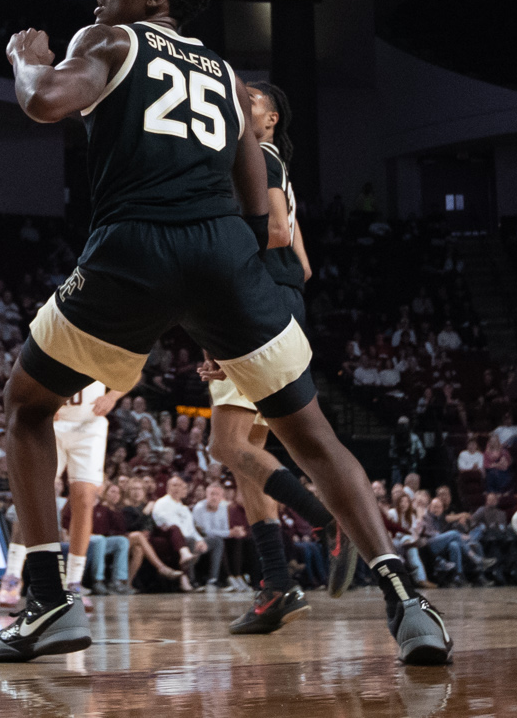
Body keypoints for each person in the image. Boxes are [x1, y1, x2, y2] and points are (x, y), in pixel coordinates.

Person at [0, 0, 450, 666]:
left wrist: (26, 58)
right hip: (226, 256)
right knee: (314, 438)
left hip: (133, 246)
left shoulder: (111, 41)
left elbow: (43, 103)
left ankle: (46, 602)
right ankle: (408, 601)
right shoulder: (230, 77)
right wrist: (210, 303)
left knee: (28, 406)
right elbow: (259, 210)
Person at [205, 80, 356, 637]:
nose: (240, 104)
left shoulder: (255, 161)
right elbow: (305, 264)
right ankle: (276, 583)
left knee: (226, 445)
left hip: (254, 307)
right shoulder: (274, 167)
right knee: (249, 458)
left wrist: (220, 284)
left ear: (270, 122)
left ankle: (327, 522)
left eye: (252, 102)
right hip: (284, 307)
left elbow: (268, 231)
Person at [0, 380, 123, 607]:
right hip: (51, 422)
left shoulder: (104, 346)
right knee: (33, 496)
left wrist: (112, 396)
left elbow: (132, 369)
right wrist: (39, 403)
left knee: (85, 500)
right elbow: (24, 374)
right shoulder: (50, 342)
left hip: (89, 426)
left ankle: (74, 582)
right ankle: (12, 576)